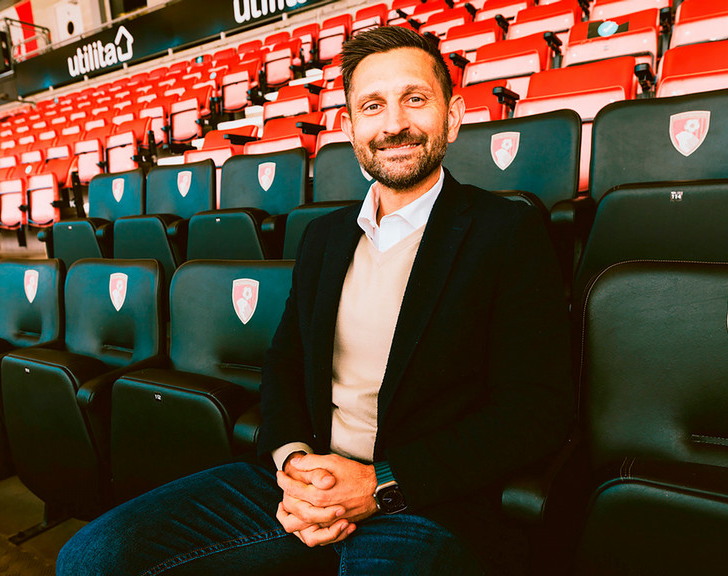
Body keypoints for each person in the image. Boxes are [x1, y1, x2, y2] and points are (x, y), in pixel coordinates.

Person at [57, 26, 572, 576]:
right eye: (372, 106)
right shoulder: (324, 237)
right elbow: (284, 365)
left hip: (423, 502)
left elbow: (534, 410)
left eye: (414, 99)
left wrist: (380, 484)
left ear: (453, 114)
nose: (395, 124)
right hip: (304, 481)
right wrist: (296, 464)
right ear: (349, 129)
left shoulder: (508, 230)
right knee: (89, 558)